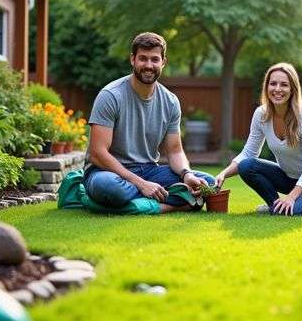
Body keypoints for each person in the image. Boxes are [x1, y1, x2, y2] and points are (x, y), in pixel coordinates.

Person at [84, 32, 214, 213]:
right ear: (132, 60)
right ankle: (168, 204)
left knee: (207, 183)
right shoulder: (111, 96)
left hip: (149, 170)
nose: (148, 65)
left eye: (154, 59)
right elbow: (97, 153)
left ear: (163, 62)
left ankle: (138, 205)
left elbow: (175, 151)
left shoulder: (170, 101)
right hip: (109, 173)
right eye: (143, 59)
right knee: (108, 188)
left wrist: (187, 174)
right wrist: (141, 184)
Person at [215, 63, 302, 216]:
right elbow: (249, 152)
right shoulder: (261, 114)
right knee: (246, 166)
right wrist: (223, 174)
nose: (277, 89)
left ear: (292, 89)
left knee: (295, 212)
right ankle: (276, 207)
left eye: (284, 84)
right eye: (273, 83)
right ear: (266, 87)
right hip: (289, 178)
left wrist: (291, 198)